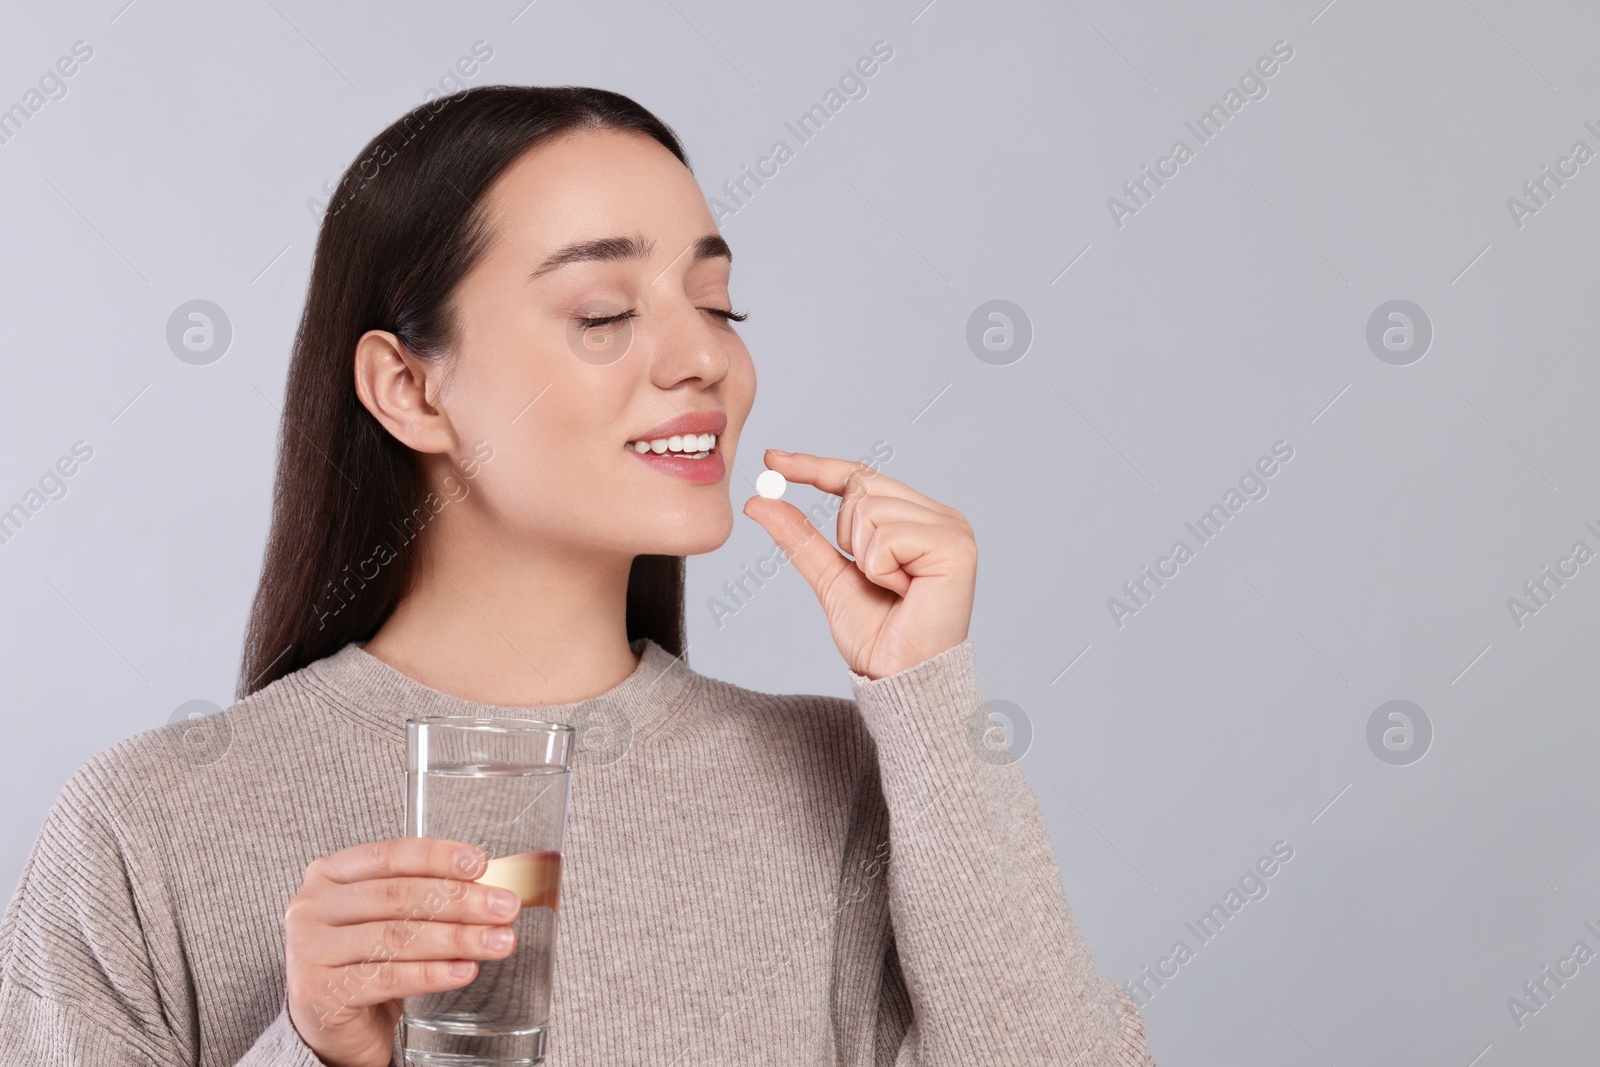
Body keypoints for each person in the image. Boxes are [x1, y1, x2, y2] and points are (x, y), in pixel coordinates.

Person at [0, 85, 1155, 1066]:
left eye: (718, 302)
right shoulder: (152, 823)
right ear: (410, 388)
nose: (706, 356)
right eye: (603, 311)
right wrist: (314, 1046)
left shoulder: (843, 786)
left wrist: (929, 701)